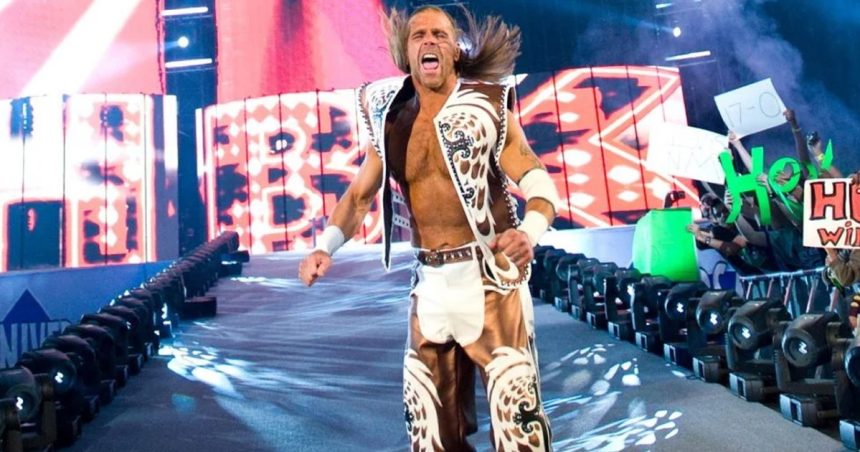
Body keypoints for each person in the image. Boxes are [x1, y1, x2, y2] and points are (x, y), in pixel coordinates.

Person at [297, 6, 556, 451]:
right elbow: (359, 197)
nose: (429, 41)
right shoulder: (391, 119)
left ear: (455, 50)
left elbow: (538, 182)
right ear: (407, 51)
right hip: (430, 286)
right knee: (428, 433)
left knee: (519, 427)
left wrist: (527, 233)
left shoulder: (487, 107)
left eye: (440, 34)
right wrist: (325, 247)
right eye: (419, 35)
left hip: (490, 282)